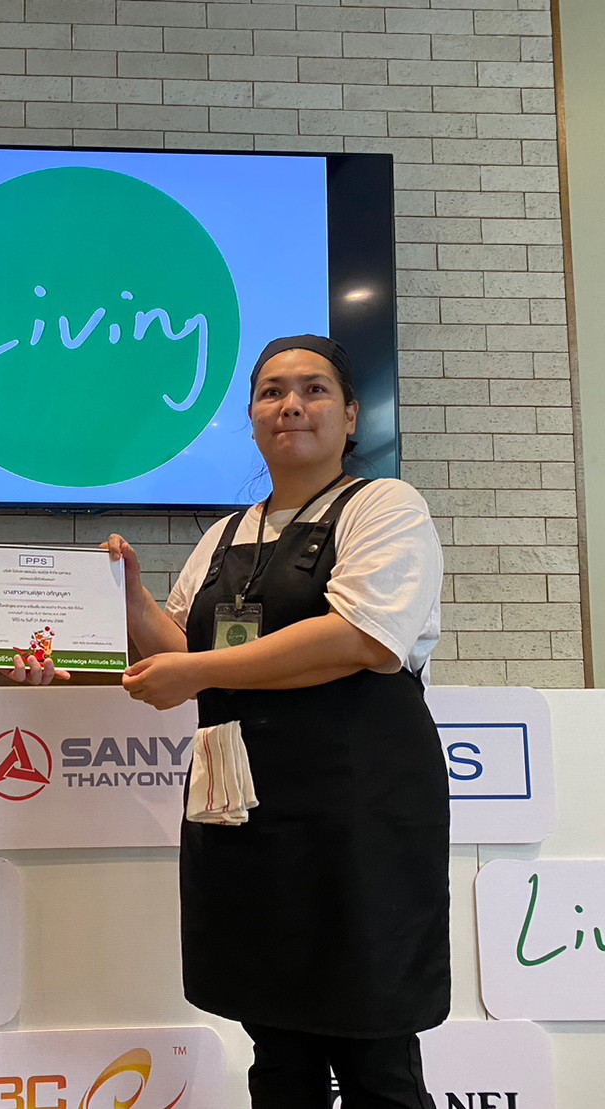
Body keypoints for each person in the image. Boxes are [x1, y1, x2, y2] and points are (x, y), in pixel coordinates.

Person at [108, 335, 449, 1109]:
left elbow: (360, 637)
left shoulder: (384, 507)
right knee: (277, 1051)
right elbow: (181, 648)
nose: (290, 405)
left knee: (375, 1054)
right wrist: (130, 598)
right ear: (253, 416)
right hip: (249, 826)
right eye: (270, 392)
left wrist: (197, 671)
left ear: (351, 415)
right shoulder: (224, 535)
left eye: (313, 389)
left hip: (359, 820)